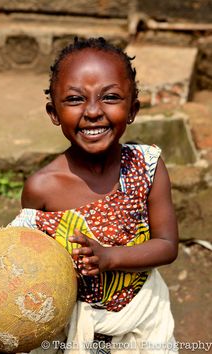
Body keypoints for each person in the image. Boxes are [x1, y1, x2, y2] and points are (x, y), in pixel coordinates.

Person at [10, 37, 179, 353]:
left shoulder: (147, 166)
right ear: (54, 112)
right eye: (74, 99)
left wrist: (110, 257)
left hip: (145, 317)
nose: (92, 112)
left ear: (133, 110)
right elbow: (26, 264)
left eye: (111, 97)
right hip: (81, 329)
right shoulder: (42, 188)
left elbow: (167, 246)